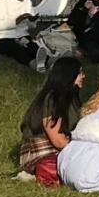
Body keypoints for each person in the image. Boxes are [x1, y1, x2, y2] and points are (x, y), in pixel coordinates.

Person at [18, 57, 84, 186]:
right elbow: (58, 140)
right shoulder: (53, 99)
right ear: (70, 75)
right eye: (80, 72)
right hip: (42, 153)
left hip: (60, 149)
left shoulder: (71, 100)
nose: (83, 76)